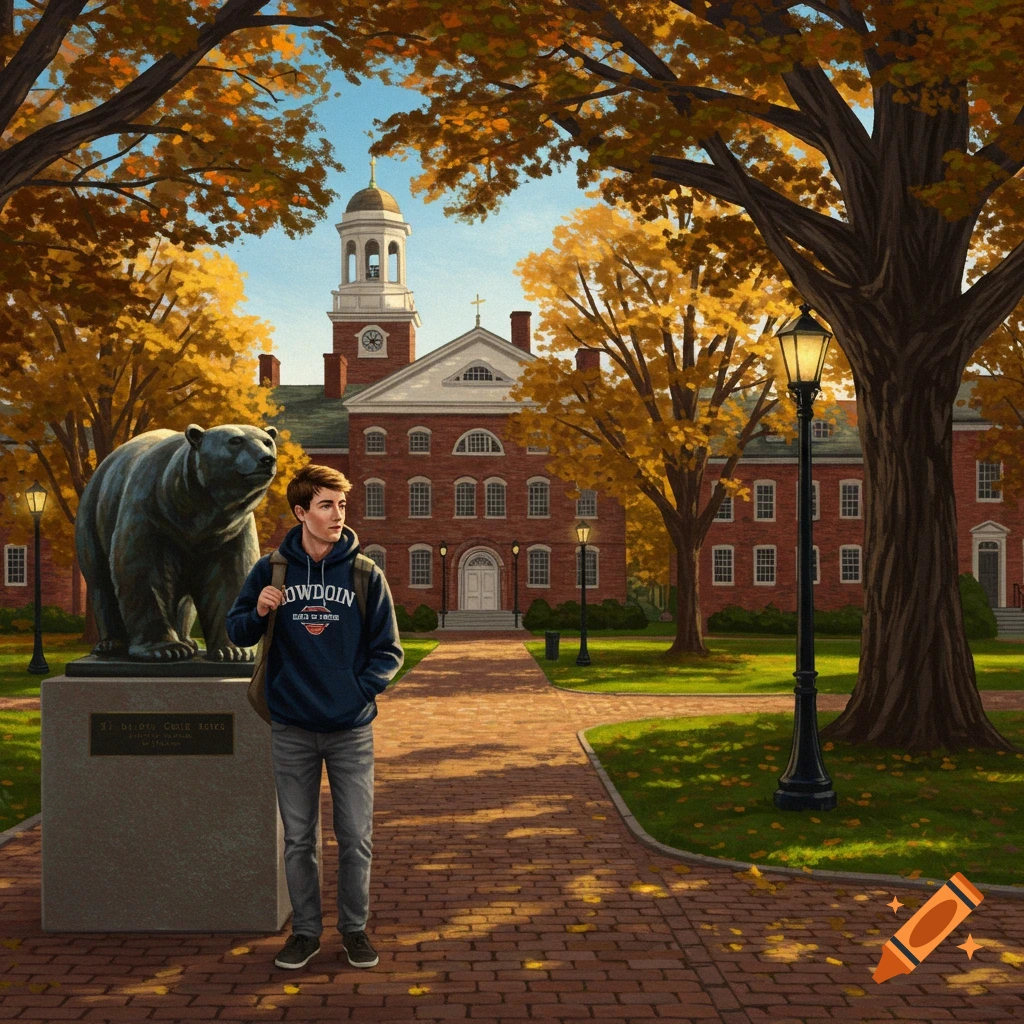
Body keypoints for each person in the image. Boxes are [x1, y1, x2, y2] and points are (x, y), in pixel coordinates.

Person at [227, 464, 404, 971]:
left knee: (355, 837)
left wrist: (358, 694)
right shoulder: (271, 569)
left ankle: (354, 930)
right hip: (292, 728)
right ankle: (305, 932)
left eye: (342, 505)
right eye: (326, 505)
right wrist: (257, 611)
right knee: (299, 839)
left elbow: (388, 650)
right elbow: (236, 632)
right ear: (302, 512)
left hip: (349, 731)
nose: (337, 514)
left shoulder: (365, 573)